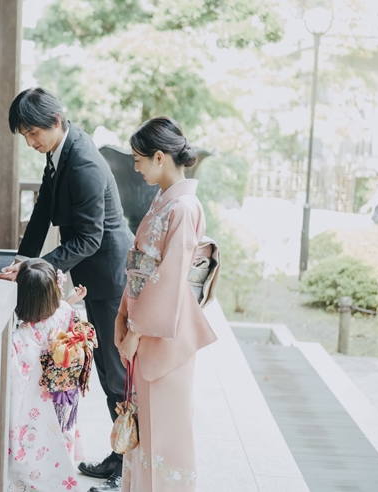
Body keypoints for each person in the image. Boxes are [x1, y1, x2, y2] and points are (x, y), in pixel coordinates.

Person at [0, 87, 133, 491]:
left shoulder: (83, 162)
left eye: (34, 133)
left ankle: (128, 463)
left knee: (114, 372)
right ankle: (121, 455)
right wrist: (22, 260)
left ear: (56, 121)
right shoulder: (60, 150)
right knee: (109, 371)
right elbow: (42, 211)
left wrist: (38, 268)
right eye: (25, 136)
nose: (31, 143)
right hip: (92, 271)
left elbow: (89, 238)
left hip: (106, 276)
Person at [114, 117, 218, 491]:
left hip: (164, 330)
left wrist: (136, 331)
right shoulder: (165, 201)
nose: (136, 167)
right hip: (148, 324)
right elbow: (141, 267)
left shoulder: (184, 207)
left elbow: (170, 278)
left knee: (167, 429)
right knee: (146, 424)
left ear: (160, 157)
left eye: (139, 159)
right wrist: (124, 316)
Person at [7, 258, 96, 491]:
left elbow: (15, 377)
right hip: (62, 393)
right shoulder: (64, 312)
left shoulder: (20, 337)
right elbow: (63, 314)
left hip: (35, 401)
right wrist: (72, 301)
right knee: (61, 434)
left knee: (34, 441)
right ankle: (60, 477)